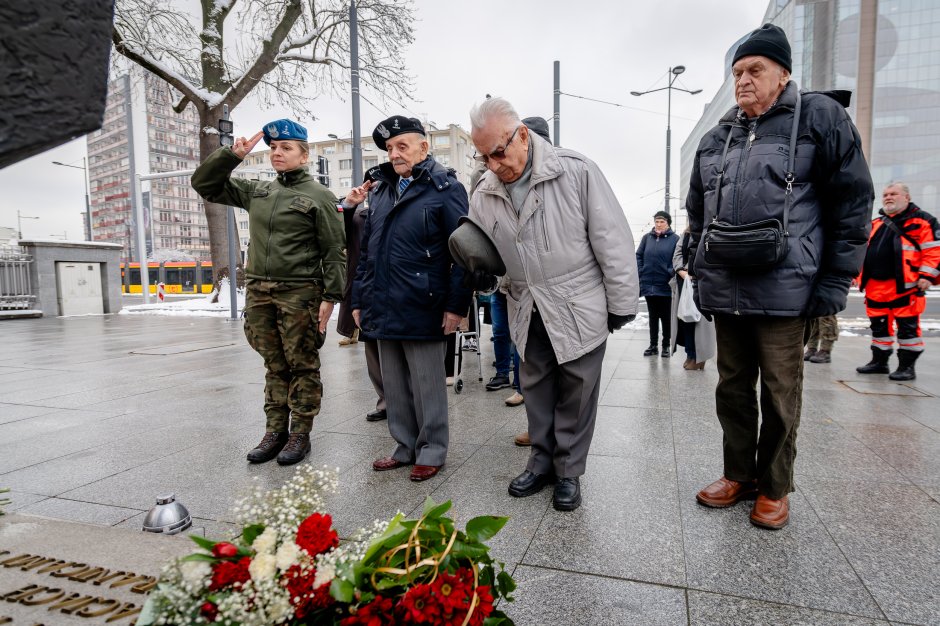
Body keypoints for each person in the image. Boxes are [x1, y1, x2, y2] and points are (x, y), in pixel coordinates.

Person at [687, 24, 873, 529]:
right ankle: (738, 474)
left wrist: (835, 281)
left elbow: (852, 204)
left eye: (754, 70)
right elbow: (697, 214)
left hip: (788, 288)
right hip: (728, 285)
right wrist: (700, 274)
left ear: (783, 73)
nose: (743, 81)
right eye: (737, 72)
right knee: (731, 388)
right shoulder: (717, 135)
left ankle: (774, 486)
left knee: (780, 391)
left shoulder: (821, 117)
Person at [464, 97, 639, 511]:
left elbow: (612, 241)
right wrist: (482, 272)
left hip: (577, 299)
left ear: (522, 134)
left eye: (498, 152)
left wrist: (621, 303)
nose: (492, 164)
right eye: (483, 155)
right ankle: (541, 461)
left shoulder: (576, 170)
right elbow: (484, 248)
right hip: (525, 300)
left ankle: (568, 471)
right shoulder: (484, 189)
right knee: (536, 388)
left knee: (577, 391)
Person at [191, 118, 346, 465]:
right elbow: (204, 184)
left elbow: (335, 251)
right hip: (260, 292)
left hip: (300, 293)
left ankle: (300, 434)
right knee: (275, 365)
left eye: (286, 148)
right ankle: (274, 431)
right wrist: (231, 156)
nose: (277, 153)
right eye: (274, 147)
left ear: (304, 155)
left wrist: (330, 298)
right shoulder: (259, 191)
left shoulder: (319, 197)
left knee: (302, 365)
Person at [348, 115, 472, 482]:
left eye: (402, 146)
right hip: (383, 303)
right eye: (390, 148)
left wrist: (456, 305)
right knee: (395, 385)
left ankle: (432, 449)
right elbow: (368, 251)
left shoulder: (445, 188)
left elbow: (464, 252)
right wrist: (358, 299)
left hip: (425, 302)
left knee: (426, 383)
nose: (395, 153)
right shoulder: (382, 189)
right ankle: (404, 446)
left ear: (424, 146)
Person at [855, 183, 940, 380]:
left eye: (894, 194)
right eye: (885, 194)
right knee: (879, 328)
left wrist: (926, 276)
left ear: (906, 198)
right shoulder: (877, 223)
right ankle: (879, 362)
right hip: (875, 287)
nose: (888, 197)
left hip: (906, 287)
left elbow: (934, 251)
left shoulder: (923, 221)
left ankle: (907, 367)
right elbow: (863, 251)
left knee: (907, 328)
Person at [670, 225, 716, 370]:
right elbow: (677, 255)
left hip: (703, 283)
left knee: (699, 323)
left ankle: (699, 357)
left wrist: (695, 272)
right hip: (684, 283)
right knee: (686, 320)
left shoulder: (711, 232)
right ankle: (690, 354)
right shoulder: (685, 234)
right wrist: (681, 271)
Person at [637, 211, 679, 358]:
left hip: (665, 284)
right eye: (656, 221)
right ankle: (653, 345)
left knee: (666, 317)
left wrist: (670, 271)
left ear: (668, 223)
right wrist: (641, 270)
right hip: (649, 283)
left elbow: (678, 258)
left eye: (661, 221)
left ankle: (666, 346)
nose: (658, 224)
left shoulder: (675, 239)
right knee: (653, 316)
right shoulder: (646, 238)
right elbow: (638, 255)